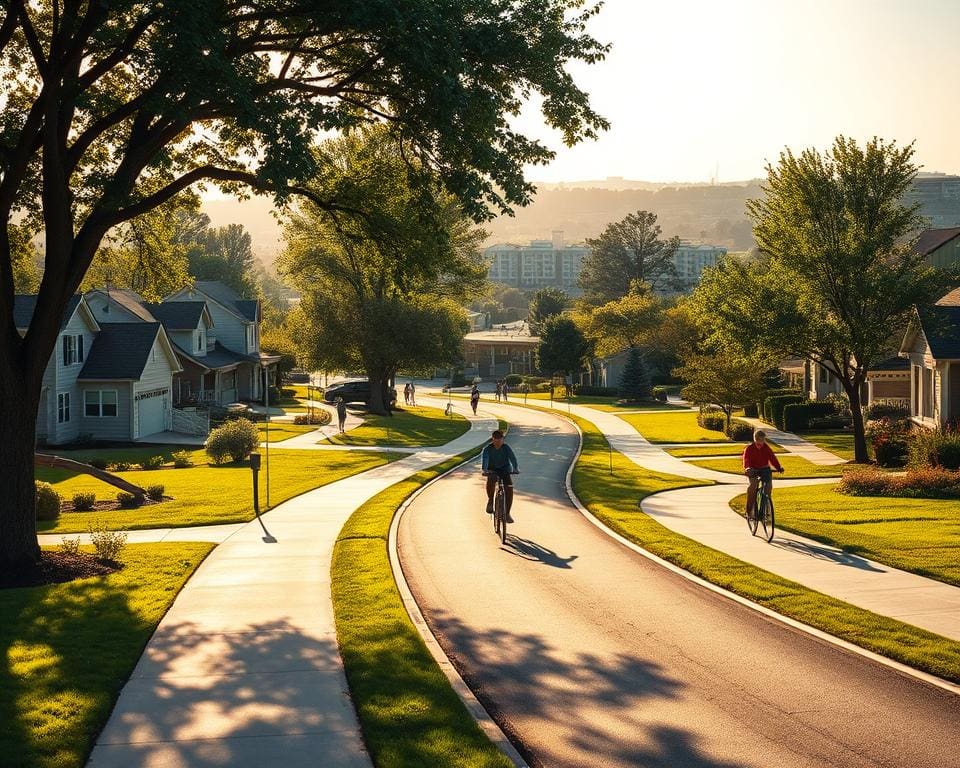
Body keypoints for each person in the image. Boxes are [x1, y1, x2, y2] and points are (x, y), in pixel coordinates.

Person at [742, 429, 784, 517]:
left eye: (762, 440)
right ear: (755, 439)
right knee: (753, 486)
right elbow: (746, 460)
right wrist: (748, 468)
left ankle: (766, 509)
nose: (761, 443)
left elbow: (772, 458)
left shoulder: (766, 448)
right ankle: (749, 510)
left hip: (764, 469)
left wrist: (778, 467)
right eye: (758, 440)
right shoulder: (749, 449)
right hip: (753, 470)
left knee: (768, 487)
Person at [481, 429, 519, 522]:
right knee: (491, 479)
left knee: (509, 487)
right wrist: (485, 470)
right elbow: (485, 459)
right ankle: (490, 500)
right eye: (496, 439)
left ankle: (507, 514)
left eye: (500, 439)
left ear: (503, 439)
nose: (498, 442)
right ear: (492, 439)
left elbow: (512, 458)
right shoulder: (487, 449)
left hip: (505, 469)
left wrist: (515, 468)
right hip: (492, 469)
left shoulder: (506, 448)